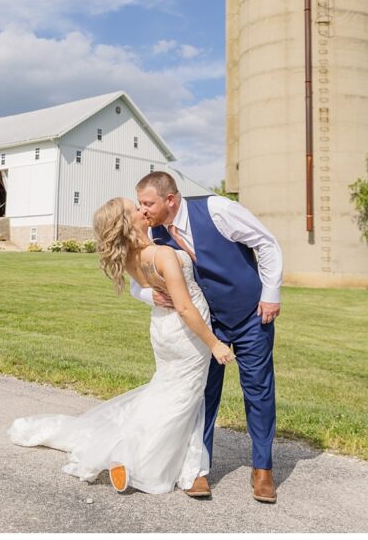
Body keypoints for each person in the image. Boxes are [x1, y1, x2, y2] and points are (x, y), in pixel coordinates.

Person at [7, 197, 235, 495]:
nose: (143, 210)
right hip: (186, 334)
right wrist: (215, 343)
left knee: (170, 394)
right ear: (128, 222)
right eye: (135, 209)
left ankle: (144, 454)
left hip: (163, 331)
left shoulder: (129, 257)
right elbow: (185, 307)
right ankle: (134, 460)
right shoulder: (163, 254)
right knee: (182, 401)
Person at [132, 172, 282, 503]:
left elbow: (266, 242)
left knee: (258, 390)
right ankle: (198, 469)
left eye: (148, 203)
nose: (142, 210)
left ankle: (263, 469)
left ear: (170, 200)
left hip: (250, 314)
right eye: (140, 203)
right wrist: (149, 296)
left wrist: (270, 293)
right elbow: (135, 278)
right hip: (204, 324)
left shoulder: (216, 209)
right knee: (202, 393)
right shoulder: (152, 234)